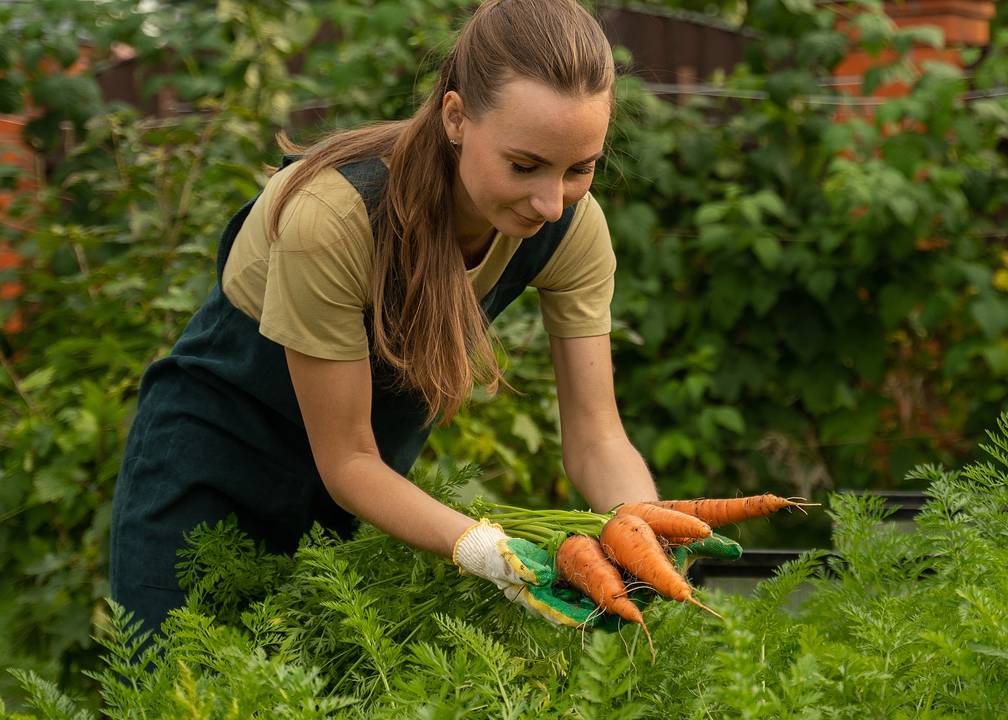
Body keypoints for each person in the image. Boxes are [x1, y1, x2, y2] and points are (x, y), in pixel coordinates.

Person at [109, 0, 661, 640]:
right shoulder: (335, 218)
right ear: (456, 117)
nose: (550, 201)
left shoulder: (571, 229)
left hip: (359, 505)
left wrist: (643, 525)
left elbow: (597, 437)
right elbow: (347, 459)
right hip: (204, 484)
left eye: (580, 168)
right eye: (524, 164)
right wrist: (486, 551)